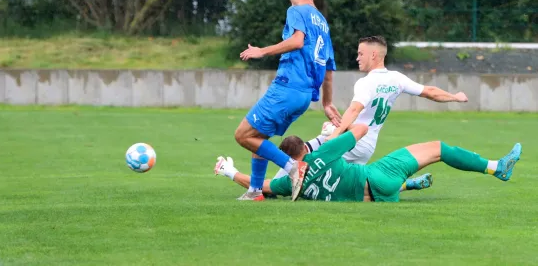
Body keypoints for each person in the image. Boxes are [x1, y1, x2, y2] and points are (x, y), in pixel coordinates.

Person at [272, 35, 469, 193]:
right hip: (368, 146)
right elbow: (430, 92)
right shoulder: (396, 78)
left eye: (360, 54)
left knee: (302, 160)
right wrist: (455, 96)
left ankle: (267, 187)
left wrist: (334, 134)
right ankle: (407, 185)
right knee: (354, 185)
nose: (357, 58)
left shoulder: (366, 83)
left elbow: (355, 109)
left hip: (355, 141)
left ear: (373, 55)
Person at [234, 0, 339, 201]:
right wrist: (327, 103)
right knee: (258, 137)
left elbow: (297, 41)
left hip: (287, 88)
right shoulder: (324, 24)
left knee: (242, 135)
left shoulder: (296, 11)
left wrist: (262, 51)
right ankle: (255, 191)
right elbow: (329, 69)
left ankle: (293, 168)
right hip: (304, 96)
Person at [215, 125, 522, 203]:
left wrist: (230, 172)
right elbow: (359, 131)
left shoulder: (286, 182)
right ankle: (497, 167)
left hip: (376, 198)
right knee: (438, 148)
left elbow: (261, 188)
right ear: (305, 150)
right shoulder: (320, 154)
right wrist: (331, 133)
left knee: (354, 181)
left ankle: (409, 186)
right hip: (379, 175)